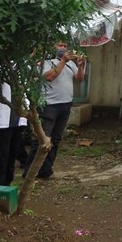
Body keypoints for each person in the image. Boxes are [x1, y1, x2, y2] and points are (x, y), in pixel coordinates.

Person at [23, 41, 85, 179]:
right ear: (53, 47)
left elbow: (79, 79)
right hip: (48, 105)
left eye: (64, 46)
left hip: (65, 105)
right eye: (59, 45)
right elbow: (50, 77)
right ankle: (30, 171)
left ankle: (45, 170)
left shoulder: (70, 64)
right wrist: (63, 61)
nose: (63, 48)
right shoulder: (45, 62)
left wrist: (80, 67)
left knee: (55, 139)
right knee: (42, 139)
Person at [0, 83, 28, 186]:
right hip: (1, 121)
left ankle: (7, 185)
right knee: (0, 157)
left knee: (12, 156)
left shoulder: (23, 69)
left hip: (18, 120)